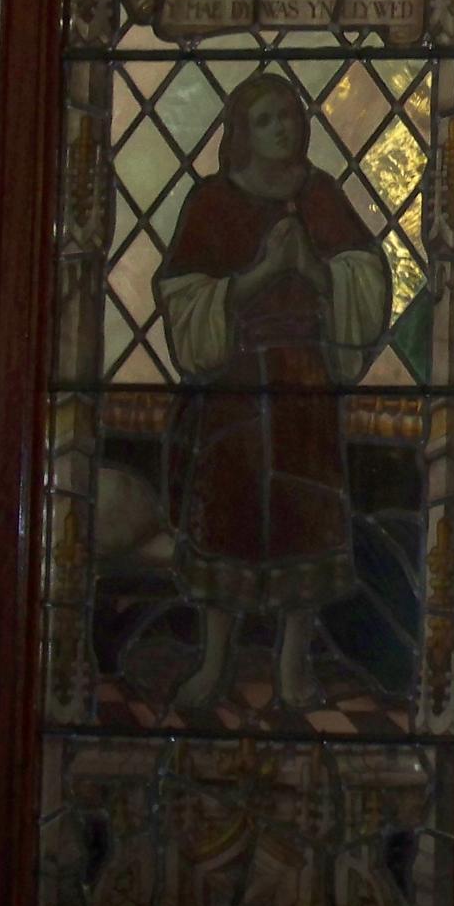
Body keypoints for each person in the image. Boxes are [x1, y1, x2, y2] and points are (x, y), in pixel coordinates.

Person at [156, 73, 390, 715]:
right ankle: (214, 659)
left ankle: (292, 665)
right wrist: (259, 275)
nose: (282, 128)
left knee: (304, 518)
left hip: (302, 384)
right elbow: (183, 295)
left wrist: (312, 269)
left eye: (289, 115)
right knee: (226, 516)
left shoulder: (320, 197)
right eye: (265, 119)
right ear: (241, 134)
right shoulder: (211, 202)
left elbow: (365, 284)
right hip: (233, 387)